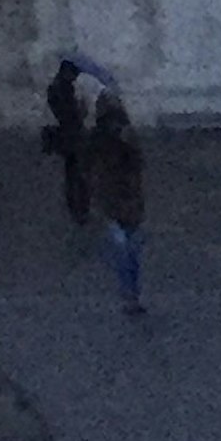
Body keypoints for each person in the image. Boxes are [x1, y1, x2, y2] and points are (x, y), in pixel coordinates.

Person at [87, 92, 147, 313]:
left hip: (117, 202)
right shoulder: (111, 138)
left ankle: (130, 294)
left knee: (126, 251)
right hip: (124, 202)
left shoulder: (103, 138)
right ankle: (131, 295)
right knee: (128, 252)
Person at [41, 55, 94, 229]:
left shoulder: (57, 89)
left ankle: (78, 209)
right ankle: (81, 209)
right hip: (73, 137)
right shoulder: (64, 90)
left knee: (74, 175)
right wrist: (82, 110)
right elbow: (71, 116)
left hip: (68, 137)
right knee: (79, 175)